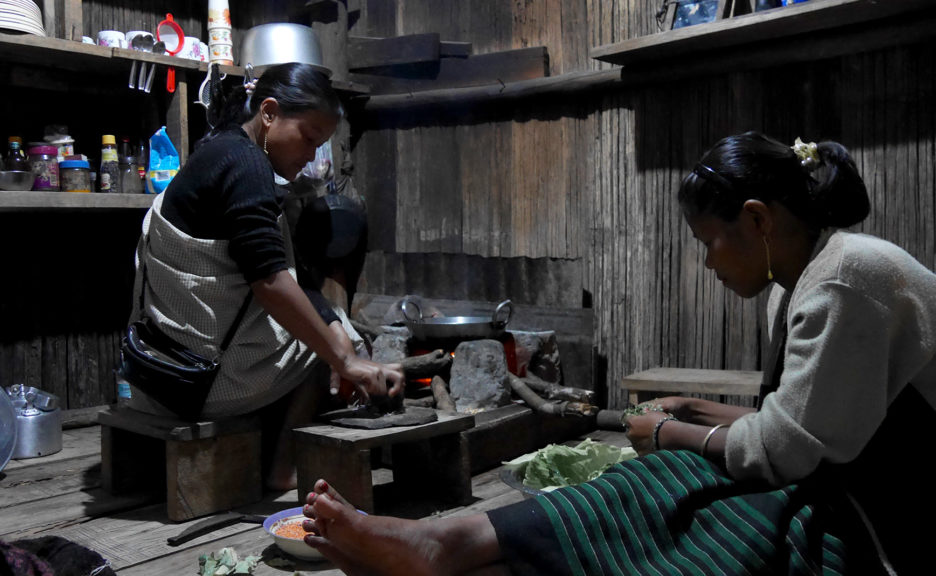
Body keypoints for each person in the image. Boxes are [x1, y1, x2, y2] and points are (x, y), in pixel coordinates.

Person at [298, 132, 936, 575]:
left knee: (688, 498)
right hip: (843, 477)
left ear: (758, 221)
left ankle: (441, 550)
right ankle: (440, 549)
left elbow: (785, 453)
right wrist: (696, 411)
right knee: (651, 476)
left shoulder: (847, 279)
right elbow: (799, 427)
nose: (708, 262)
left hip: (888, 513)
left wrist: (670, 428)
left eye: (710, 241)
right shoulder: (797, 283)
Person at [126, 62, 404, 490]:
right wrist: (343, 357)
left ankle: (285, 437)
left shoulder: (220, 147)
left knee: (334, 328)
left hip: (156, 371)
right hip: (195, 384)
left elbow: (284, 273)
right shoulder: (247, 166)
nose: (311, 155)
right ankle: (285, 468)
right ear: (269, 113)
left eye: (320, 145)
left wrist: (334, 328)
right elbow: (271, 283)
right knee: (329, 348)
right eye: (309, 138)